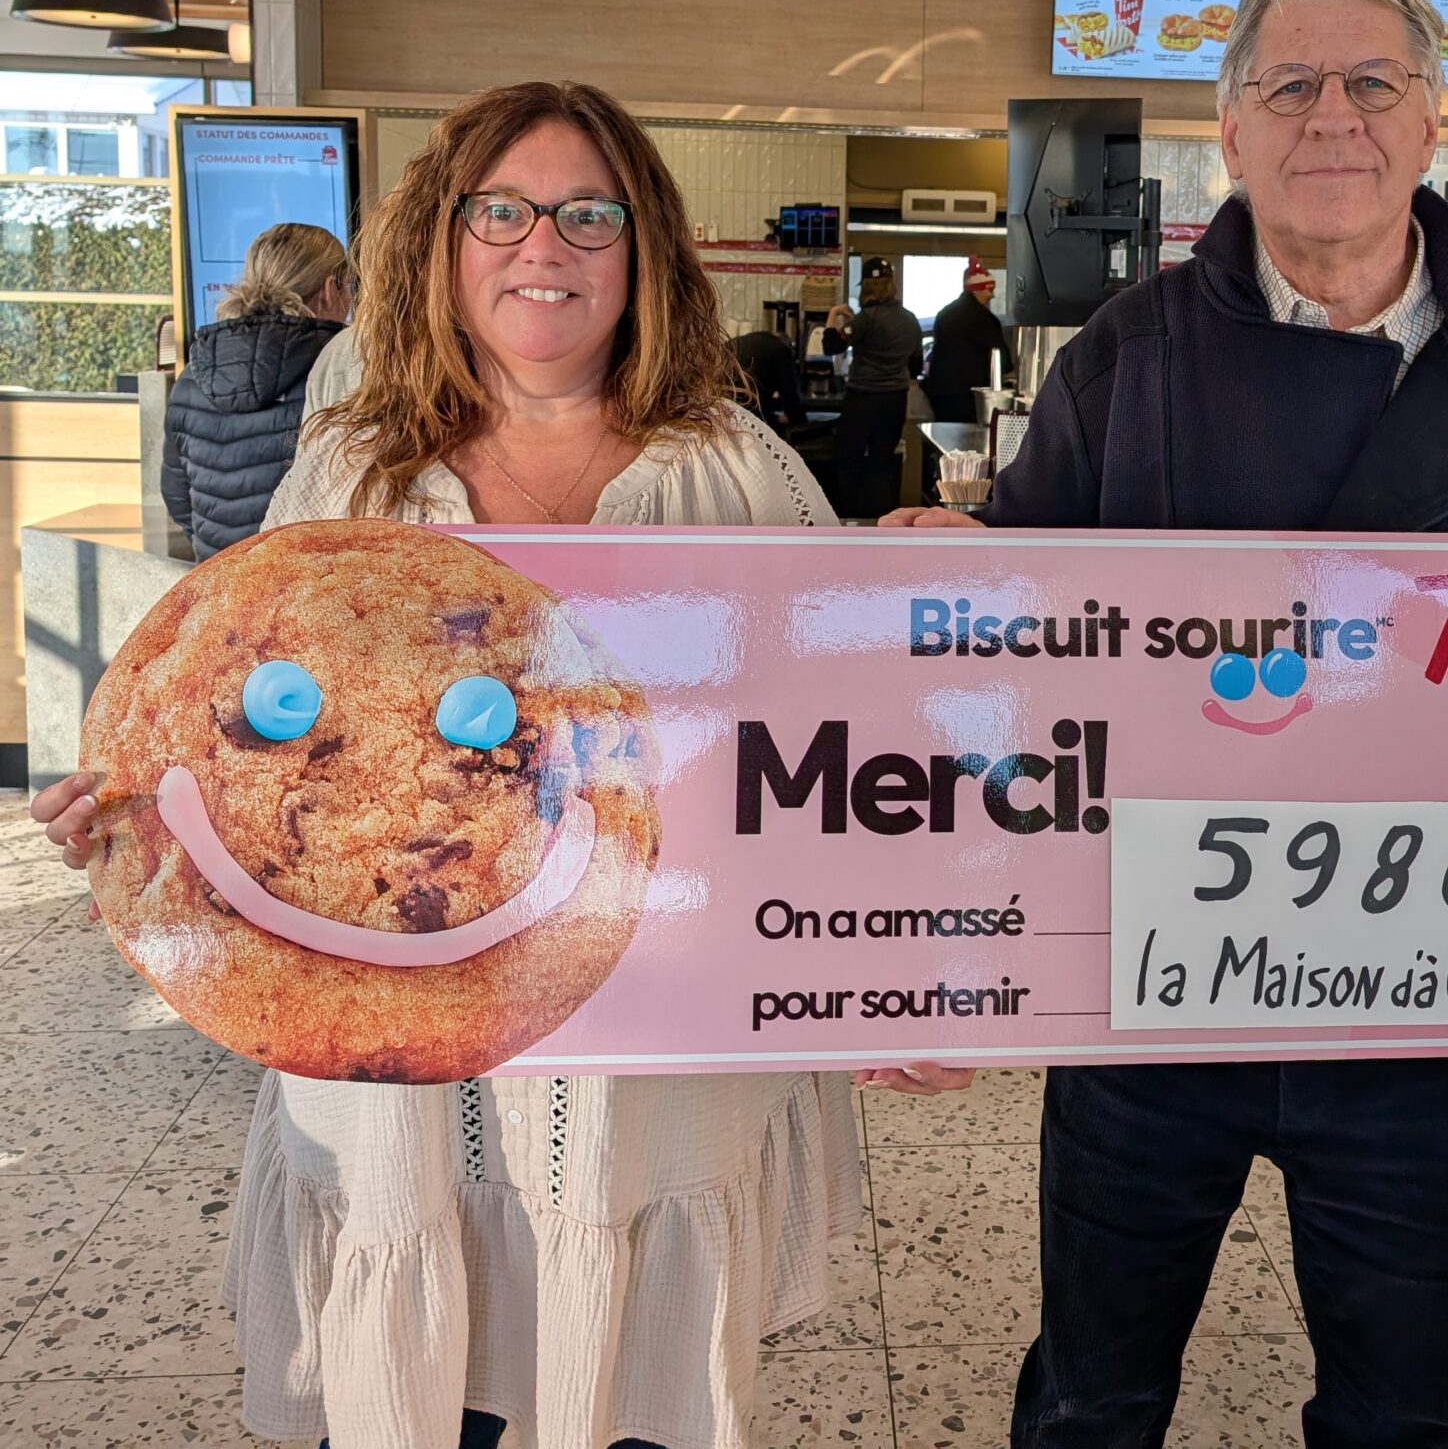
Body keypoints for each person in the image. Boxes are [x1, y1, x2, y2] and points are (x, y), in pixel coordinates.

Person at [885, 0, 1448, 1448]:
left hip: (1421, 1006)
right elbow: (1016, 648)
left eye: (1374, 82)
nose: (1336, 117)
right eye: (1291, 85)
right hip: (1152, 990)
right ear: (1232, 133)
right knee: (1089, 1402)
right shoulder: (1129, 357)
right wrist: (947, 581)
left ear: (1432, 123)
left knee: (1399, 1413)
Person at [37, 80, 887, 1449]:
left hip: (650, 1091)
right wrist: (132, 810)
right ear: (443, 238)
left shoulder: (736, 470)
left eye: (586, 214)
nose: (541, 245)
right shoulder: (353, 476)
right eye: (502, 209)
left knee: (632, 1403)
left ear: (642, 251)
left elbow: (848, 748)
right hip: (398, 1085)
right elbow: (239, 734)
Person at [161, 222, 349, 559]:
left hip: (222, 586)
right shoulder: (341, 371)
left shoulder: (193, 375)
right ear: (330, 290)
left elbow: (178, 500)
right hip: (302, 586)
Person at [822, 255, 923, 516]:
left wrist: (834, 314)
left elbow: (831, 346)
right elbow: (917, 367)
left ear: (865, 287)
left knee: (849, 459)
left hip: (863, 398)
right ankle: (880, 521)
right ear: (892, 285)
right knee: (882, 461)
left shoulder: (866, 318)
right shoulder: (910, 320)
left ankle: (848, 519)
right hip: (895, 399)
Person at [923, 257, 1014, 422]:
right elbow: (1001, 359)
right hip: (969, 396)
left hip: (941, 393)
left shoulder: (945, 314)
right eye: (989, 290)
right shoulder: (986, 320)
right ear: (977, 290)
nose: (992, 296)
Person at [730, 325, 810, 436]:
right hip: (743, 390)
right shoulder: (782, 350)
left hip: (722, 386)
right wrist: (801, 422)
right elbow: (789, 393)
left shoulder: (759, 341)